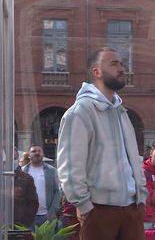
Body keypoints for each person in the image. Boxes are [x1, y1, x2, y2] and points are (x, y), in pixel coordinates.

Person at [56, 47, 147, 240]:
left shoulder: (121, 112)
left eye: (121, 64)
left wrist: (141, 197)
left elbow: (132, 159)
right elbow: (70, 166)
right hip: (99, 211)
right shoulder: (79, 113)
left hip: (132, 210)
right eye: (114, 64)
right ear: (96, 71)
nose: (121, 68)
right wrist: (85, 206)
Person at [22, 145, 61, 227]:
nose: (37, 153)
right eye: (34, 151)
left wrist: (53, 210)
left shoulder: (52, 171)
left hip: (47, 216)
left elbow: (57, 191)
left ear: (43, 154)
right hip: (28, 216)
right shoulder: (23, 171)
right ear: (29, 155)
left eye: (39, 151)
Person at [13, 147, 39, 228]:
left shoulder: (27, 178)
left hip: (20, 224)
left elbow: (33, 202)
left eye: (14, 158)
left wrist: (24, 221)